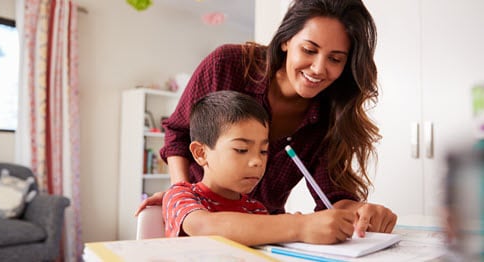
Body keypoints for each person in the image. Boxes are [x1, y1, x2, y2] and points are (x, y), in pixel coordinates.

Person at [136, 0, 397, 240]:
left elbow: (333, 196)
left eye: (335, 59)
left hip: (266, 235)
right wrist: (181, 191)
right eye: (309, 49)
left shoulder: (330, 115)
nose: (318, 68)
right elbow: (179, 133)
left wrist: (359, 212)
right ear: (286, 40)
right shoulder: (226, 64)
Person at [164, 90, 349, 246]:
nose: (257, 162)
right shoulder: (181, 196)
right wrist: (299, 226)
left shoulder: (255, 209)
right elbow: (204, 226)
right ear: (201, 153)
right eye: (241, 149)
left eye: (263, 151)